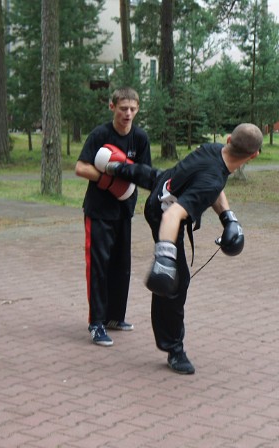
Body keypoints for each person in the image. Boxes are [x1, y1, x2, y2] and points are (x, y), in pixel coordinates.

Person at [103, 123, 262, 374]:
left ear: (229, 140)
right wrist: (165, 259)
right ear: (254, 155)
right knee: (175, 284)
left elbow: (215, 183)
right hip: (162, 213)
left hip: (164, 184)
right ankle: (173, 349)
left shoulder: (212, 150)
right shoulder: (211, 181)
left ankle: (115, 167)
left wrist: (228, 217)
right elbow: (173, 215)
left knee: (152, 175)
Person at [74, 87, 151, 346]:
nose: (128, 113)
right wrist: (109, 177)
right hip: (98, 211)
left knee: (121, 266)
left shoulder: (140, 138)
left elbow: (145, 173)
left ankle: (115, 317)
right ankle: (96, 322)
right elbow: (80, 167)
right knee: (99, 267)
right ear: (112, 107)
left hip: (124, 211)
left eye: (132, 109)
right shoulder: (100, 134)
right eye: (123, 108)